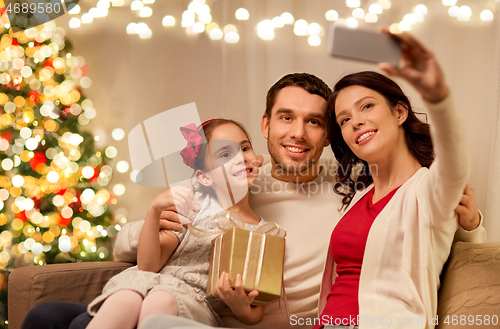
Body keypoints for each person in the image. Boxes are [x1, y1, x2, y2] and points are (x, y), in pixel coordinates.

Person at [22, 73, 486, 329]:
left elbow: (433, 220)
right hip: (168, 296)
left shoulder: (352, 191)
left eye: (315, 122)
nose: (298, 133)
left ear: (330, 135)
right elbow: (139, 244)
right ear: (265, 125)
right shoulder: (235, 178)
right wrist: (151, 226)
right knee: (45, 315)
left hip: (220, 319)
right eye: (286, 117)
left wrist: (473, 220)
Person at [316, 30, 473, 329]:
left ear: (399, 112)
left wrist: (438, 99)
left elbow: (454, 164)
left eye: (366, 106)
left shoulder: (426, 191)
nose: (355, 122)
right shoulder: (360, 197)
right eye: (344, 120)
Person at [85, 118, 269, 328]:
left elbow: (255, 315)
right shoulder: (192, 207)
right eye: (225, 154)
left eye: (245, 148)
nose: (240, 158)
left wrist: (240, 307)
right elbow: (148, 267)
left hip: (195, 302)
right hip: (148, 281)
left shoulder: (263, 233)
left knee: (160, 301)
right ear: (205, 177)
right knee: (125, 297)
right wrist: (154, 212)